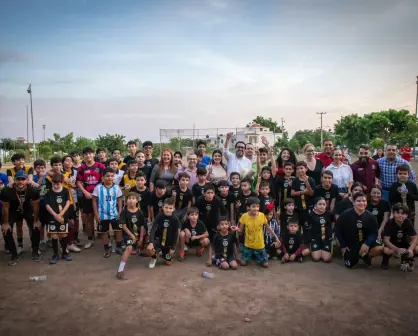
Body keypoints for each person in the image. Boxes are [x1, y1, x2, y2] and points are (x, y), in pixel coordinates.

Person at [1, 170, 41, 265]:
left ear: (27, 180)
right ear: (14, 180)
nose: (21, 182)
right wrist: (6, 223)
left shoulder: (33, 190)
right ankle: (14, 255)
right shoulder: (6, 191)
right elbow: (5, 208)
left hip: (27, 209)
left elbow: (36, 207)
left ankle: (35, 252)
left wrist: (36, 220)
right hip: (13, 210)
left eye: (23, 179)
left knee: (36, 227)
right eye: (18, 179)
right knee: (5, 229)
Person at [335, 192, 382, 269]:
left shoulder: (371, 217)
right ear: (353, 203)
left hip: (365, 241)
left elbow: (374, 232)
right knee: (351, 266)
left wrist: (367, 243)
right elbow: (337, 229)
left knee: (379, 248)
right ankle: (358, 255)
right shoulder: (345, 214)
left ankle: (364, 255)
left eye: (364, 201)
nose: (362, 203)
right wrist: (343, 245)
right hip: (351, 243)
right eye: (358, 201)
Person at [76, 147, 105, 249]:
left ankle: (103, 236)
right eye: (86, 154)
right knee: (89, 218)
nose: (88, 156)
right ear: (83, 156)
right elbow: (79, 182)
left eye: (90, 153)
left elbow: (104, 180)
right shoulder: (82, 168)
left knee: (101, 216)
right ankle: (90, 239)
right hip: (87, 196)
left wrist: (98, 192)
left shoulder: (100, 166)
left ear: (93, 154)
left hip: (99, 196)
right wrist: (85, 192)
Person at [238, 197, 279, 268]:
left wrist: (276, 237)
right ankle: (252, 255)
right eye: (253, 206)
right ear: (248, 207)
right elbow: (240, 230)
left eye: (257, 206)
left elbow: (268, 227)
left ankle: (256, 256)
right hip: (248, 245)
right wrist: (235, 229)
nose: (256, 208)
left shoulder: (262, 215)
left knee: (265, 265)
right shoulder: (244, 216)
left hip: (259, 245)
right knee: (243, 263)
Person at [92, 168, 123, 257]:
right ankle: (107, 248)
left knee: (118, 230)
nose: (110, 178)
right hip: (102, 215)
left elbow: (120, 200)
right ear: (103, 177)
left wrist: (120, 211)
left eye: (112, 176)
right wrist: (96, 214)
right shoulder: (98, 188)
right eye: (107, 176)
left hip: (114, 214)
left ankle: (118, 246)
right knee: (104, 232)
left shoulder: (116, 188)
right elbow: (94, 201)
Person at [195, 184, 227, 266]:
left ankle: (218, 252)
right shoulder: (199, 200)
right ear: (204, 193)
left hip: (214, 221)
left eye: (212, 193)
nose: (210, 195)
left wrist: (221, 223)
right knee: (203, 239)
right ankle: (200, 247)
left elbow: (223, 212)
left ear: (214, 193)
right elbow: (195, 212)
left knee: (214, 239)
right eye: (208, 193)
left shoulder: (217, 200)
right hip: (202, 221)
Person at [45, 173, 72, 264]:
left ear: (62, 182)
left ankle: (64, 253)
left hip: (63, 217)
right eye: (54, 183)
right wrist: (55, 215)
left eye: (58, 183)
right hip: (52, 218)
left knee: (64, 235)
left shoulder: (65, 190)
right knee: (54, 235)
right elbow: (47, 205)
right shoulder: (49, 192)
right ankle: (55, 254)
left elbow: (68, 203)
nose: (56, 185)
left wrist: (61, 214)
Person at [117, 192, 145, 280]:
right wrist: (132, 236)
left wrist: (141, 239)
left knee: (149, 246)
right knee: (129, 248)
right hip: (128, 234)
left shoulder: (140, 212)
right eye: (129, 198)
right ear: (126, 200)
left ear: (137, 201)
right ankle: (120, 270)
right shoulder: (124, 212)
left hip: (138, 234)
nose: (131, 200)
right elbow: (124, 227)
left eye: (133, 198)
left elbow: (142, 226)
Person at [147, 198, 181, 268]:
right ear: (162, 207)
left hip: (168, 242)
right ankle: (154, 258)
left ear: (173, 209)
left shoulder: (175, 219)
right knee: (149, 249)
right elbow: (153, 229)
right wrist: (151, 242)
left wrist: (173, 248)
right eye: (166, 207)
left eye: (170, 208)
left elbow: (176, 234)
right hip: (158, 239)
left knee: (168, 263)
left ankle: (163, 253)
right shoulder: (159, 216)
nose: (168, 210)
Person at [382, 203, 417, 271]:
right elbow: (386, 240)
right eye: (397, 213)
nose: (400, 215)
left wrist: (410, 249)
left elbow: (415, 238)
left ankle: (407, 260)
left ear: (406, 215)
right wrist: (396, 249)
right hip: (392, 244)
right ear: (393, 214)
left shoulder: (408, 222)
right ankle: (385, 260)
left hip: (405, 244)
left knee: (415, 249)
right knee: (386, 250)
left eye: (403, 213)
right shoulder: (389, 223)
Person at [291, 161, 315, 246]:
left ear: (306, 169)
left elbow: (311, 193)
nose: (299, 170)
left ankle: (307, 245)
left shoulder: (311, 179)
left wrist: (307, 183)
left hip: (307, 207)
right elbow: (292, 193)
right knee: (296, 225)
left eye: (301, 168)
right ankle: (296, 244)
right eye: (297, 169)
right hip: (297, 207)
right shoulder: (295, 180)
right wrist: (303, 192)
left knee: (307, 226)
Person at [62, 155, 81, 253]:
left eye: (70, 160)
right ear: (63, 163)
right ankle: (65, 244)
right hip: (64, 201)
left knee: (74, 221)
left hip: (75, 200)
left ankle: (72, 241)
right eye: (67, 160)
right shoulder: (60, 172)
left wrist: (75, 186)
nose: (69, 162)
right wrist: (62, 177)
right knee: (66, 222)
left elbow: (79, 183)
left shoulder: (76, 172)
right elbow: (50, 172)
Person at [309, 197, 333, 262]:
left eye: (324, 204)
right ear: (315, 205)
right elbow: (308, 228)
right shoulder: (311, 215)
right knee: (316, 258)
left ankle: (326, 249)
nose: (322, 206)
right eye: (320, 204)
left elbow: (334, 225)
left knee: (326, 259)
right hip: (315, 239)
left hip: (327, 239)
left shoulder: (329, 214)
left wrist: (332, 236)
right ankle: (313, 247)